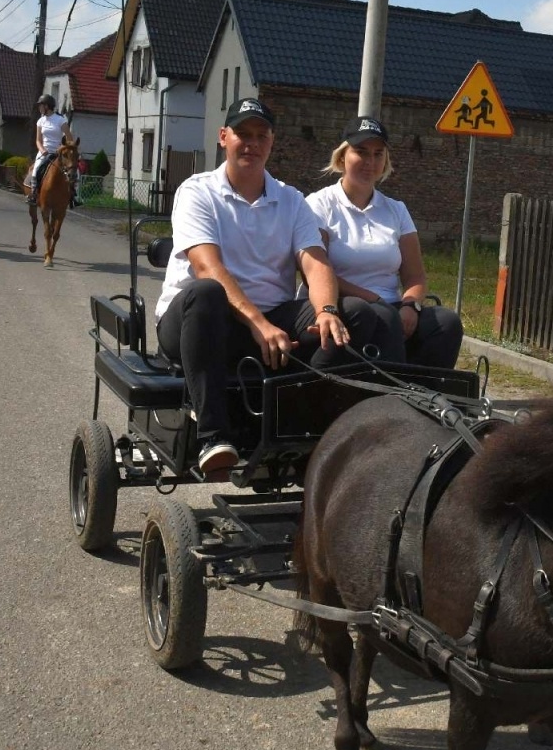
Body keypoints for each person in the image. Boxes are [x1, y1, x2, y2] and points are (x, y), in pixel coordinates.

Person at [155, 97, 385, 478]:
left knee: (353, 315)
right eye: (243, 134)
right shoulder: (197, 191)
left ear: (272, 142)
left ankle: (297, 426)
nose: (252, 144)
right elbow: (206, 267)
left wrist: (328, 311)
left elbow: (315, 262)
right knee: (207, 292)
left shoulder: (291, 200)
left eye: (261, 136)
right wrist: (258, 324)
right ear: (223, 137)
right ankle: (213, 436)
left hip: (271, 325)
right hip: (197, 323)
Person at [305, 117, 463, 368]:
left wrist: (411, 305)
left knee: (447, 322)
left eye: (378, 154)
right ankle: (393, 397)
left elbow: (415, 277)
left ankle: (430, 396)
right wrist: (375, 299)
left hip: (390, 305)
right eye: (361, 152)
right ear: (342, 156)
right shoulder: (319, 205)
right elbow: (314, 272)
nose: (370, 162)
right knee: (379, 315)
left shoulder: (396, 210)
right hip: (346, 305)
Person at [26, 94, 79, 206]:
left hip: (59, 153)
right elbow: (38, 140)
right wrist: (42, 150)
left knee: (74, 172)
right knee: (35, 172)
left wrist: (62, 149)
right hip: (44, 151)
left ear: (47, 106)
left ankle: (73, 196)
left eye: (41, 105)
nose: (39, 108)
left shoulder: (60, 120)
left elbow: (69, 139)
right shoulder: (40, 121)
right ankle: (33, 194)